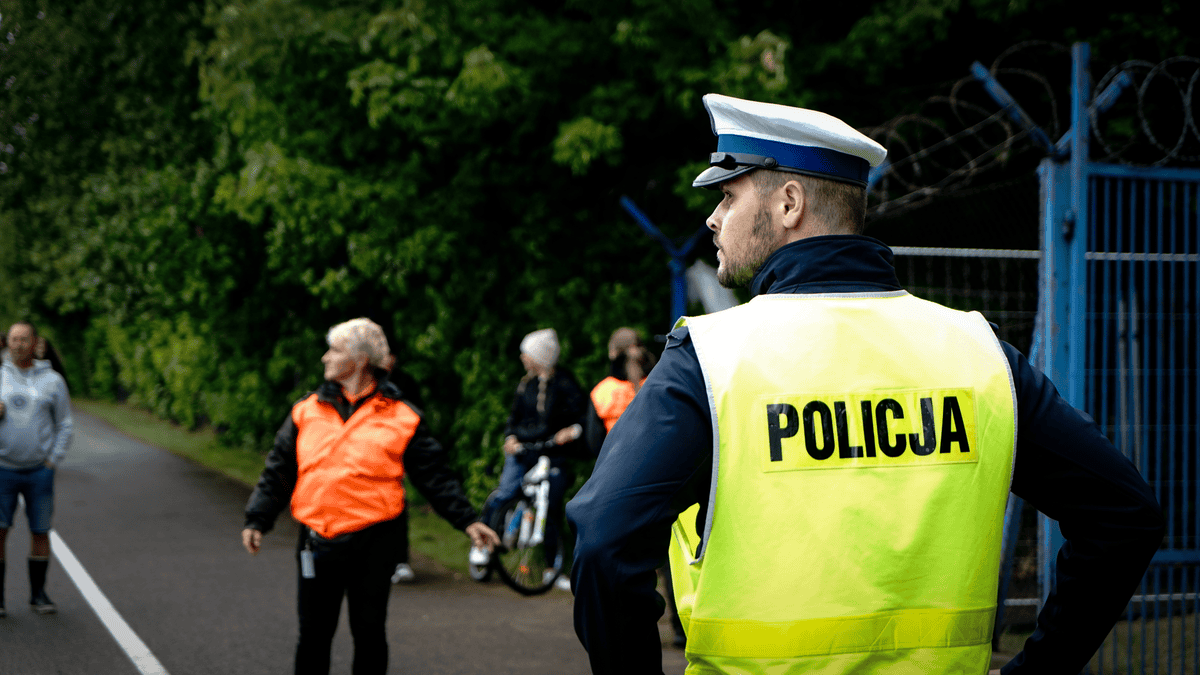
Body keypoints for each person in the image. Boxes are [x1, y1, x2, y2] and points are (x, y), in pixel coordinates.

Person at [566, 94, 1165, 674]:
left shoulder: (712, 358)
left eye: (728, 195)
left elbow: (604, 541)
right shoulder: (978, 354)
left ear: (789, 202)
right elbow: (1124, 515)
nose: (713, 218)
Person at [242, 317, 499, 675]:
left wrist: (468, 521)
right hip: (317, 540)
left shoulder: (402, 416)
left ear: (360, 360)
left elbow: (435, 476)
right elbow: (279, 469)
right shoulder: (307, 410)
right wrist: (257, 518)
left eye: (334, 350)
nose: (325, 357)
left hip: (374, 543)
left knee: (369, 634)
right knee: (313, 636)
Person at [477, 328, 586, 590]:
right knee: (506, 493)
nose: (522, 358)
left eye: (526, 353)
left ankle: (551, 566)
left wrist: (573, 431)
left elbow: (582, 416)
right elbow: (513, 419)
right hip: (523, 452)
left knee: (551, 506)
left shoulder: (565, 384)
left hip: (551, 454)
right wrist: (511, 437)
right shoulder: (526, 385)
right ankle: (483, 543)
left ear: (540, 356)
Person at [0, 320, 74, 617]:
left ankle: (39, 595)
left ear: (34, 343)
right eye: (13, 339)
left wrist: (52, 461)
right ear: (7, 343)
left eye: (23, 339)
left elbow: (65, 423)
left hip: (38, 471)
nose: (18, 345)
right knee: (0, 531)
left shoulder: (52, 380)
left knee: (40, 531)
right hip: (3, 469)